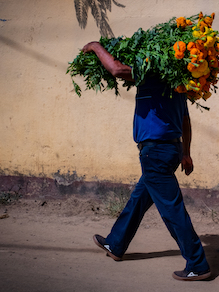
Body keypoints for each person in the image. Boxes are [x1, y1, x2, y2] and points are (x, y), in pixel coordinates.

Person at [82, 41, 211, 281]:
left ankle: (198, 264)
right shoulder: (177, 84)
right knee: (138, 200)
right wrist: (185, 152)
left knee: (173, 211)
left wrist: (96, 47)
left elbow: (117, 69)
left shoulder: (150, 74)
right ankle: (116, 244)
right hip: (169, 151)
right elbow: (185, 120)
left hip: (155, 154)